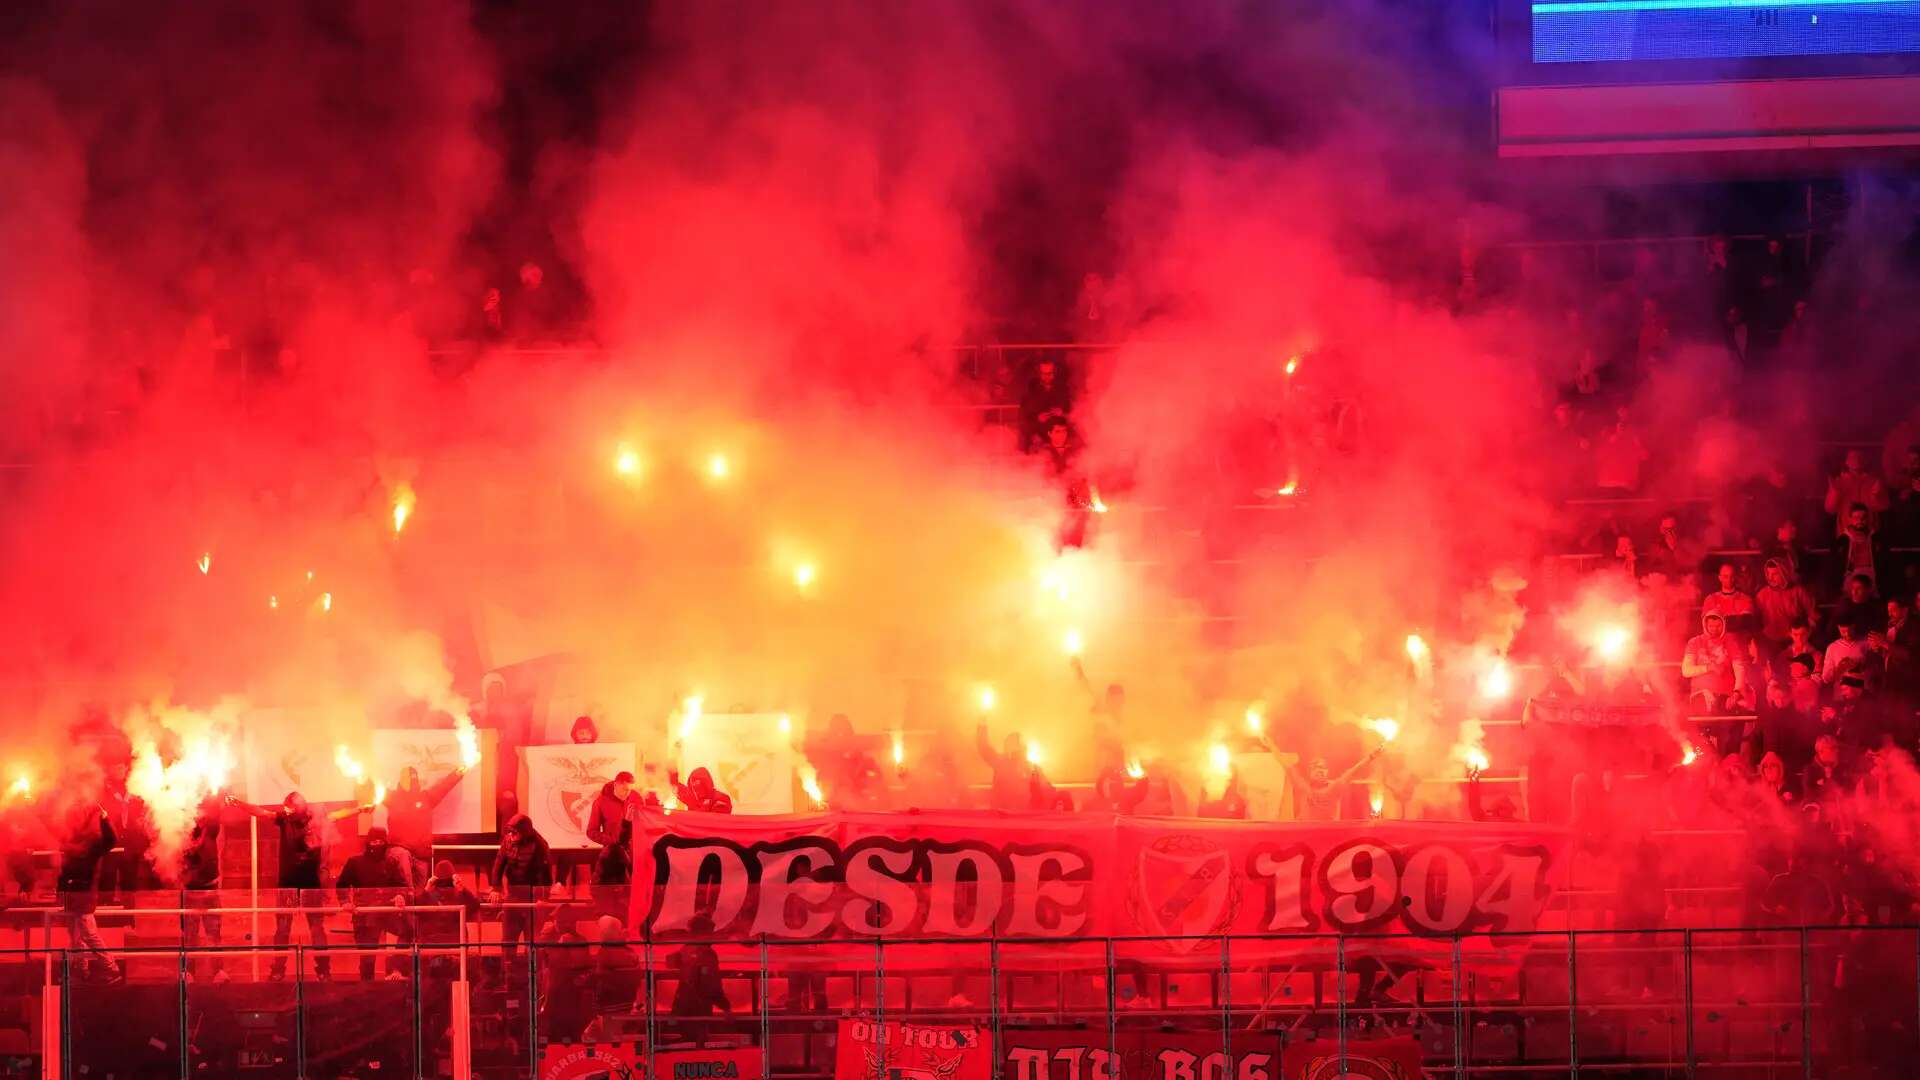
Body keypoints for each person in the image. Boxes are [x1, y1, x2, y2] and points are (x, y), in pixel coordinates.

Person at [231, 791, 369, 980]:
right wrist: (239, 803)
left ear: (300, 806)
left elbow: (338, 815)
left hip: (310, 884)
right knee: (282, 928)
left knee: (316, 928)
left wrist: (360, 809)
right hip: (287, 883)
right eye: (286, 806)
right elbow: (261, 812)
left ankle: (323, 970)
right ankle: (278, 969)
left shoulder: (315, 819)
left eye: (291, 806)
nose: (287, 810)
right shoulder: (284, 819)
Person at [336, 827, 410, 981]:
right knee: (367, 956)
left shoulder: (391, 862)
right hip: (364, 915)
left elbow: (401, 885)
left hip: (387, 912)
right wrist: (345, 902)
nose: (377, 845)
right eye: (373, 841)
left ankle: (395, 969)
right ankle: (367, 987)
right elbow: (342, 884)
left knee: (408, 930)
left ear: (386, 842)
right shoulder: (355, 862)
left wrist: (399, 895)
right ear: (367, 842)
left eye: (380, 841)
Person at [57, 804, 121, 983]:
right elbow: (64, 871)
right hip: (73, 895)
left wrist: (105, 819)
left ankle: (111, 968)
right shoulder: (74, 839)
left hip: (83, 895)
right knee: (76, 935)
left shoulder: (93, 841)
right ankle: (82, 970)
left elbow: (111, 840)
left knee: (88, 934)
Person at [385, 762, 468, 887]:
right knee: (406, 879)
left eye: (413, 778)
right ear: (401, 780)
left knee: (420, 893)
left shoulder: (426, 797)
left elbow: (443, 787)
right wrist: (363, 781)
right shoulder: (391, 797)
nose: (411, 781)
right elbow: (372, 789)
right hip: (400, 852)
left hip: (421, 855)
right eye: (407, 778)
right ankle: (409, 895)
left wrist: (456, 775)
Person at [491, 814, 553, 964]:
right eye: (510, 833)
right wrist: (496, 889)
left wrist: (542, 900)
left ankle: (533, 978)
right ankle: (508, 976)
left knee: (532, 942)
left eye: (514, 833)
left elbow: (545, 877)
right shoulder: (507, 841)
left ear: (524, 832)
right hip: (513, 897)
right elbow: (499, 864)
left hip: (533, 899)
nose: (511, 836)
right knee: (507, 941)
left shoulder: (540, 846)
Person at [179, 794, 227, 981]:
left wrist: (215, 796)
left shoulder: (211, 829)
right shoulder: (183, 834)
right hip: (190, 890)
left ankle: (218, 971)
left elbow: (215, 817)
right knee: (190, 935)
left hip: (210, 888)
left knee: (214, 932)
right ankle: (188, 971)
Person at [804, 715, 886, 810]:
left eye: (844, 734)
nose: (841, 739)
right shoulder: (825, 766)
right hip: (834, 817)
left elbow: (880, 794)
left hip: (861, 817)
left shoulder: (866, 764)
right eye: (836, 734)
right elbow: (824, 794)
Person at [1278, 749, 1382, 821]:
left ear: (1327, 771)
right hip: (1306, 836)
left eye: (1323, 768)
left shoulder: (1334, 788)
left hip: (1329, 835)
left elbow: (1353, 771)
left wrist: (1371, 757)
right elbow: (1288, 767)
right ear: (1310, 772)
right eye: (1315, 768)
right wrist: (1270, 744)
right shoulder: (1304, 788)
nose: (1319, 770)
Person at [1682, 612, 1747, 713]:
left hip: (1726, 696)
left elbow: (1739, 668)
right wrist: (1709, 667)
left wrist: (1737, 692)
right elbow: (1686, 670)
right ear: (1705, 625)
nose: (1714, 629)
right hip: (1699, 695)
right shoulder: (1694, 642)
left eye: (1718, 626)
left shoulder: (1731, 642)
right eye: (1711, 626)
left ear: (1723, 625)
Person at [670, 914, 730, 1019]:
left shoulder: (685, 950)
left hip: (681, 1008)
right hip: (699, 1010)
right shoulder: (706, 953)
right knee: (698, 1034)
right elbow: (710, 983)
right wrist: (726, 1007)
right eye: (710, 932)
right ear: (704, 933)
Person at [1754, 559, 1818, 657]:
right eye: (1768, 573)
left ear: (1784, 573)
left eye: (1775, 574)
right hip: (1771, 643)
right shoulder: (1762, 595)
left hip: (1794, 643)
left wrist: (1805, 635)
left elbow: (1813, 614)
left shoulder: (1798, 592)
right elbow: (1755, 621)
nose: (1770, 578)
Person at [1826, 451, 1889, 537]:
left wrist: (1876, 496)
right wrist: (1835, 492)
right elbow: (1830, 508)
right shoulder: (1839, 481)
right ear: (1846, 461)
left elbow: (1884, 506)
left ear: (1865, 460)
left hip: (1870, 533)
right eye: (1852, 458)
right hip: (1846, 533)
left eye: (1859, 457)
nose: (1856, 460)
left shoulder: (1874, 481)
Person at [976, 726, 1039, 811]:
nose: (1017, 751)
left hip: (1023, 816)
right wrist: (982, 727)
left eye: (1020, 747)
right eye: (1015, 746)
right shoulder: (1000, 762)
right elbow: (984, 748)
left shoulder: (1031, 768)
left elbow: (1045, 790)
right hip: (1001, 816)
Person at [1834, 507, 1892, 598]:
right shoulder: (1842, 541)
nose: (1860, 520)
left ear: (1868, 519)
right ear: (1850, 519)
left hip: (1871, 577)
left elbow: (1885, 561)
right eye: (1856, 517)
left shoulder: (1876, 539)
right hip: (1850, 577)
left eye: (1863, 517)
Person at [1702, 562, 1757, 638]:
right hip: (1717, 646)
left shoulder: (1745, 599)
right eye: (1725, 576)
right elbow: (1707, 625)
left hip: (1739, 644)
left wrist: (1719, 621)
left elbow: (1745, 623)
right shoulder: (1710, 599)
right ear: (1720, 578)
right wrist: (1734, 620)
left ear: (1735, 577)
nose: (1729, 579)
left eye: (1732, 576)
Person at [1823, 615, 1871, 688]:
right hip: (1840, 693)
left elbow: (1874, 672)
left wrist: (1858, 667)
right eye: (1843, 631)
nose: (1847, 634)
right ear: (1838, 628)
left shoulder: (1866, 643)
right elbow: (1826, 678)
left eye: (1850, 630)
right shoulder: (1832, 648)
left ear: (1854, 627)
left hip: (1861, 691)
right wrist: (1840, 668)